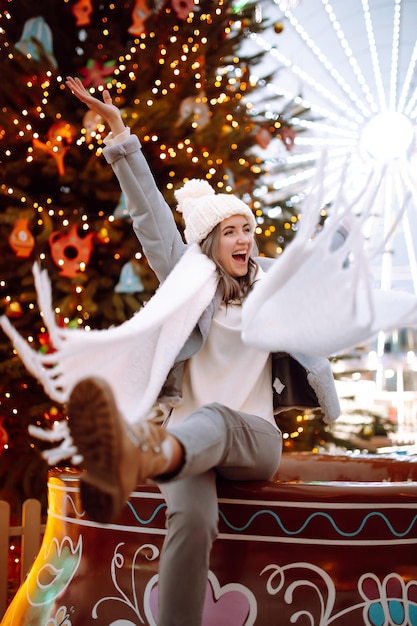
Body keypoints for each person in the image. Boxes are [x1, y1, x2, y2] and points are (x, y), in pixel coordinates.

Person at [62, 76, 341, 626]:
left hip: (253, 436)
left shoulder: (270, 289)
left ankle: (143, 452)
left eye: (248, 230)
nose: (243, 240)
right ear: (210, 242)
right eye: (231, 231)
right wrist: (120, 135)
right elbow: (151, 220)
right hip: (185, 448)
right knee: (190, 520)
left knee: (213, 417)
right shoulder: (189, 282)